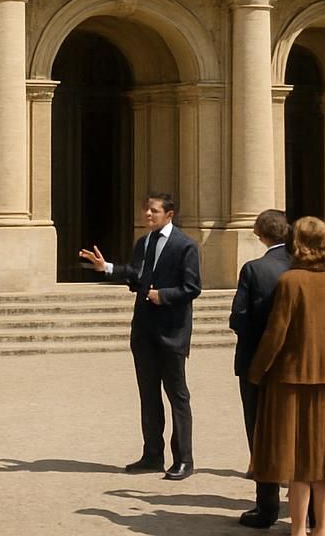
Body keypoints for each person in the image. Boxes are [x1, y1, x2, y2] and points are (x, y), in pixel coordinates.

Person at [80, 191, 202, 480]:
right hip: (144, 332)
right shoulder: (144, 242)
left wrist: (165, 295)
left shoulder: (186, 246)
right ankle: (152, 455)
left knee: (177, 397)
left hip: (172, 332)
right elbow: (137, 275)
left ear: (169, 215)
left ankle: (184, 458)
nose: (147, 215)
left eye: (154, 211)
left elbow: (192, 287)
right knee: (148, 396)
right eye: (146, 210)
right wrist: (107, 267)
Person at [248, 215, 325, 536]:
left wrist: (257, 370)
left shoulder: (291, 281)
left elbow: (276, 334)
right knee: (322, 457)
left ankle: (299, 528)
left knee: (296, 459)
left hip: (291, 376)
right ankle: (321, 527)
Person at [229, 209, 291, 529]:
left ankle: (266, 505)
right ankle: (301, 502)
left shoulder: (255, 269)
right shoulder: (304, 267)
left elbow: (238, 319)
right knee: (295, 433)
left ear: (259, 233)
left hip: (257, 363)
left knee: (260, 434)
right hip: (294, 366)